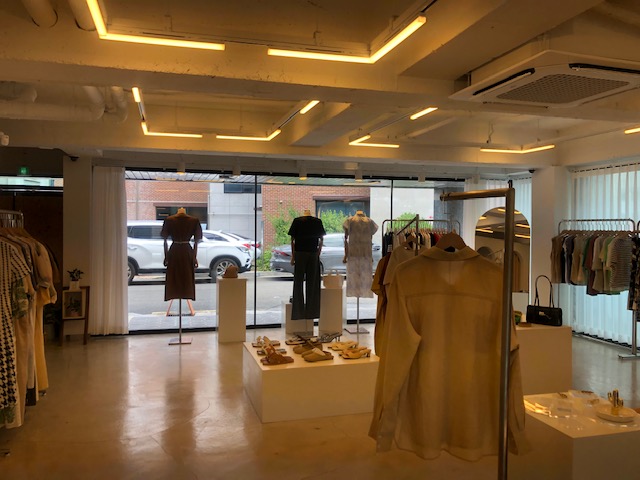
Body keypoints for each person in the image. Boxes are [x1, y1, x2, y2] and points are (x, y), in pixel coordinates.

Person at [288, 209, 326, 320]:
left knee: (298, 282)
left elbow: (292, 241)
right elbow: (321, 240)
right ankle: (312, 312)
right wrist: (318, 252)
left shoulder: (297, 221)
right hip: (313, 253)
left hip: (300, 253)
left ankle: (298, 312)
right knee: (313, 283)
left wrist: (293, 256)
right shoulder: (317, 222)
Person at [161, 208, 202, 301]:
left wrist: (166, 256)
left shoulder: (169, 220)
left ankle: (174, 293)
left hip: (174, 250)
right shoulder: (194, 221)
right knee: (186, 275)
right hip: (186, 250)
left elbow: (165, 241)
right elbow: (196, 242)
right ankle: (186, 293)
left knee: (174, 276)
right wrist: (194, 257)